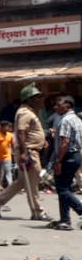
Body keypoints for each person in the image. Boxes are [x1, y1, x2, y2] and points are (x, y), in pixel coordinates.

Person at [0, 84, 49, 221]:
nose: (41, 100)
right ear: (30, 99)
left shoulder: (30, 111)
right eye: (38, 97)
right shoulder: (25, 113)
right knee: (33, 181)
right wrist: (24, 152)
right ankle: (38, 212)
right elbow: (21, 132)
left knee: (22, 181)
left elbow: (28, 132)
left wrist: (41, 140)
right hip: (29, 151)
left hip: (31, 149)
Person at [50, 95, 82, 229]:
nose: (55, 107)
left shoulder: (65, 120)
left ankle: (80, 210)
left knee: (62, 189)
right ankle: (65, 219)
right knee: (65, 187)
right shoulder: (77, 119)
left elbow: (65, 142)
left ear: (67, 106)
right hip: (75, 155)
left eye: (59, 104)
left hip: (67, 156)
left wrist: (58, 161)